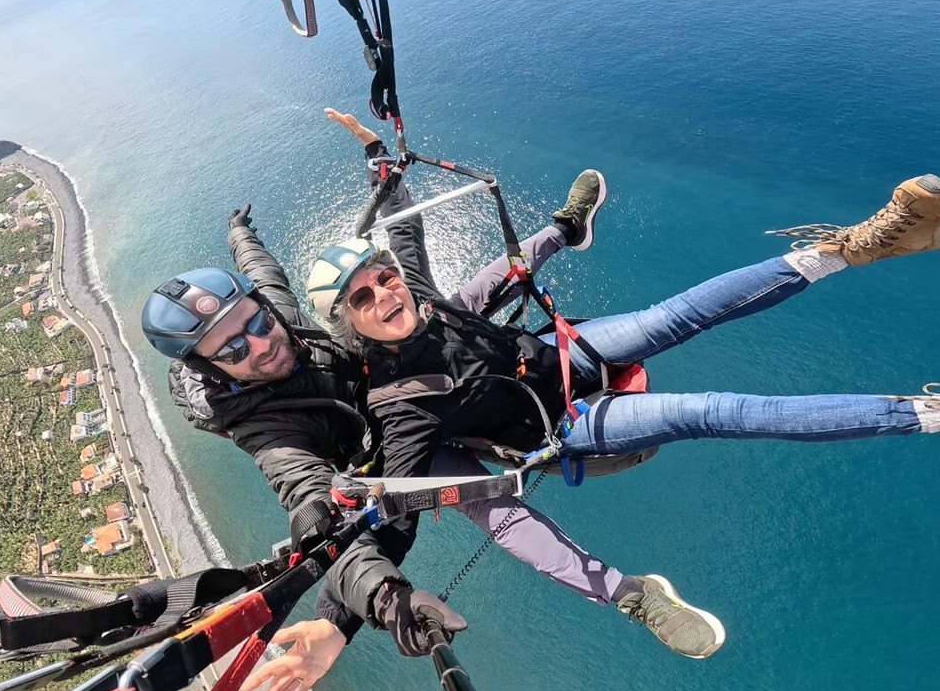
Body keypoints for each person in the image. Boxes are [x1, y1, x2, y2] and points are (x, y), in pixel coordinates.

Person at [144, 111, 717, 691]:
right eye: (235, 348)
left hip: (397, 363)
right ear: (210, 366)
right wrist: (347, 619)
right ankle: (629, 593)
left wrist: (355, 180)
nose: (260, 342)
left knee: (465, 294)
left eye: (257, 322)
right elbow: (320, 518)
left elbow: (271, 271)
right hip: (397, 448)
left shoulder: (276, 323)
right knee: (495, 509)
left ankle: (566, 229)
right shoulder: (268, 431)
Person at [309, 174, 940, 522]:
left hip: (567, 354)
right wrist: (343, 504)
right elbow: (397, 489)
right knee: (715, 412)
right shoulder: (399, 406)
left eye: (382, 278)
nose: (384, 296)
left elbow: (411, 236)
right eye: (361, 300)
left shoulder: (424, 296)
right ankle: (922, 414)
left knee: (681, 311)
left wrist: (381, 168)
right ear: (351, 324)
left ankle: (851, 247)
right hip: (566, 424)